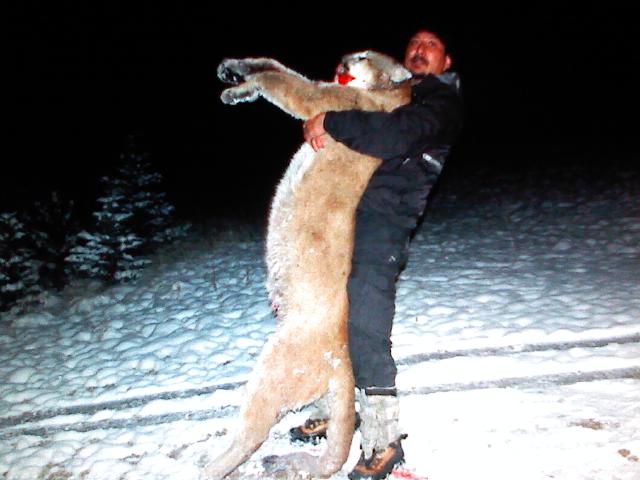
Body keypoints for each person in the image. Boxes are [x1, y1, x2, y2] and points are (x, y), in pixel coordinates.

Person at [290, 29, 463, 480]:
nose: (420, 49)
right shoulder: (394, 91)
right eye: (415, 43)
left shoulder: (440, 103)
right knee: (329, 313)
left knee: (366, 322)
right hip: (343, 215)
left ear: (446, 62)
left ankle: (384, 439)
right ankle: (336, 407)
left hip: (384, 222)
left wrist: (332, 121)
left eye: (432, 44)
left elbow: (393, 136)